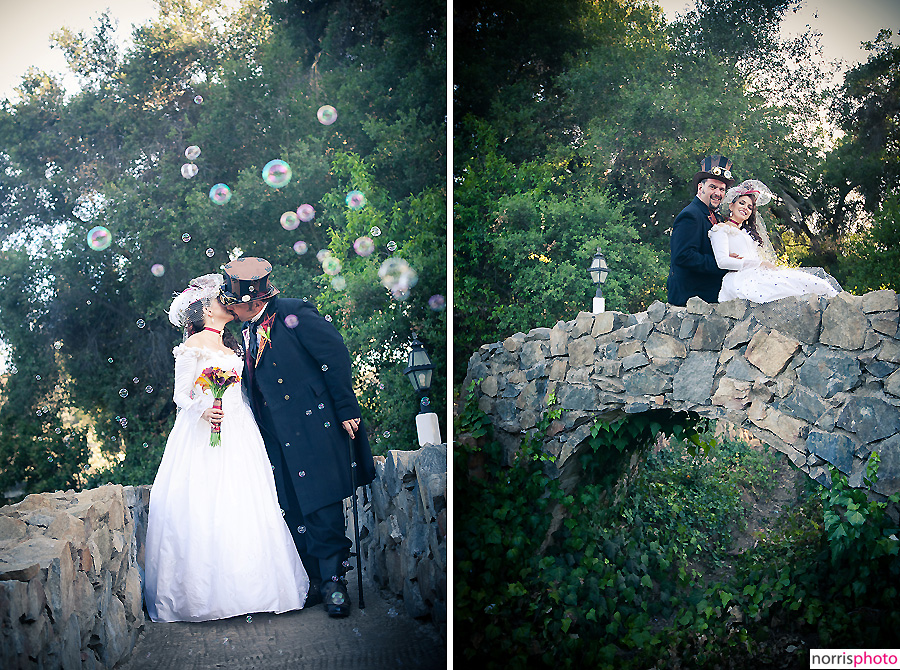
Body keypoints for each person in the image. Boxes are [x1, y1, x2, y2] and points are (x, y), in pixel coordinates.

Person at [144, 274, 309, 622]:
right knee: (208, 503)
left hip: (239, 429)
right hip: (204, 433)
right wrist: (202, 409)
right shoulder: (190, 348)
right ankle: (207, 596)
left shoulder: (232, 347)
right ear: (206, 309)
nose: (228, 303)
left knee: (245, 500)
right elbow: (180, 394)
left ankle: (257, 590)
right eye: (220, 300)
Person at [219, 257, 377, 619]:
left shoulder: (294, 312)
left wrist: (346, 408)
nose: (233, 310)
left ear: (254, 302)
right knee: (292, 505)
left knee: (320, 503)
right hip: (274, 437)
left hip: (312, 428)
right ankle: (314, 583)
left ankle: (336, 582)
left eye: (237, 304)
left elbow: (333, 355)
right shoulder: (245, 332)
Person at [709, 180, 840, 303]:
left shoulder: (745, 233)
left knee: (807, 281)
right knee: (787, 286)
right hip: (740, 278)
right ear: (731, 206)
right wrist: (758, 263)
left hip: (757, 273)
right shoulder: (720, 229)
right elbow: (722, 262)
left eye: (750, 207)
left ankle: (836, 301)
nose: (745, 208)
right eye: (742, 203)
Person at [667, 155, 735, 306]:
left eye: (722, 189)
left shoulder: (715, 216)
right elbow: (684, 256)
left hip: (708, 297)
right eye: (713, 187)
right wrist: (723, 264)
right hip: (690, 301)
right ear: (700, 188)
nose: (718, 193)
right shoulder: (690, 215)